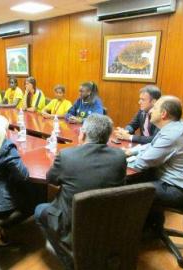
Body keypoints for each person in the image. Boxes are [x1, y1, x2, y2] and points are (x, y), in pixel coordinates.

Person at [34, 114, 126, 269]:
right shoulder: (119, 156)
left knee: (39, 210)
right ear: (107, 136)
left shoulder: (67, 156)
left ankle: (69, 260)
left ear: (83, 133)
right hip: (108, 221)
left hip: (73, 223)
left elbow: (51, 179)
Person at [126, 96, 183, 228]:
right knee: (132, 179)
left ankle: (129, 231)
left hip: (174, 189)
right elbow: (153, 145)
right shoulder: (174, 127)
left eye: (155, 108)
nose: (150, 111)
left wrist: (118, 160)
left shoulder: (172, 134)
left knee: (124, 186)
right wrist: (132, 152)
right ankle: (150, 222)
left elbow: (141, 164)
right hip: (175, 182)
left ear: (163, 114)